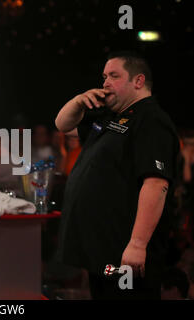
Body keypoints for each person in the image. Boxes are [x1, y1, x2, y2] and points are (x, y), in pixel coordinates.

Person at [55, 51, 180, 299]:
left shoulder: (151, 120)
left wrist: (137, 244)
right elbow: (63, 125)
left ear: (138, 81)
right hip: (103, 248)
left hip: (125, 249)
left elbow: (155, 183)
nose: (105, 83)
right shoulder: (111, 115)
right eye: (104, 76)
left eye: (114, 76)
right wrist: (79, 101)